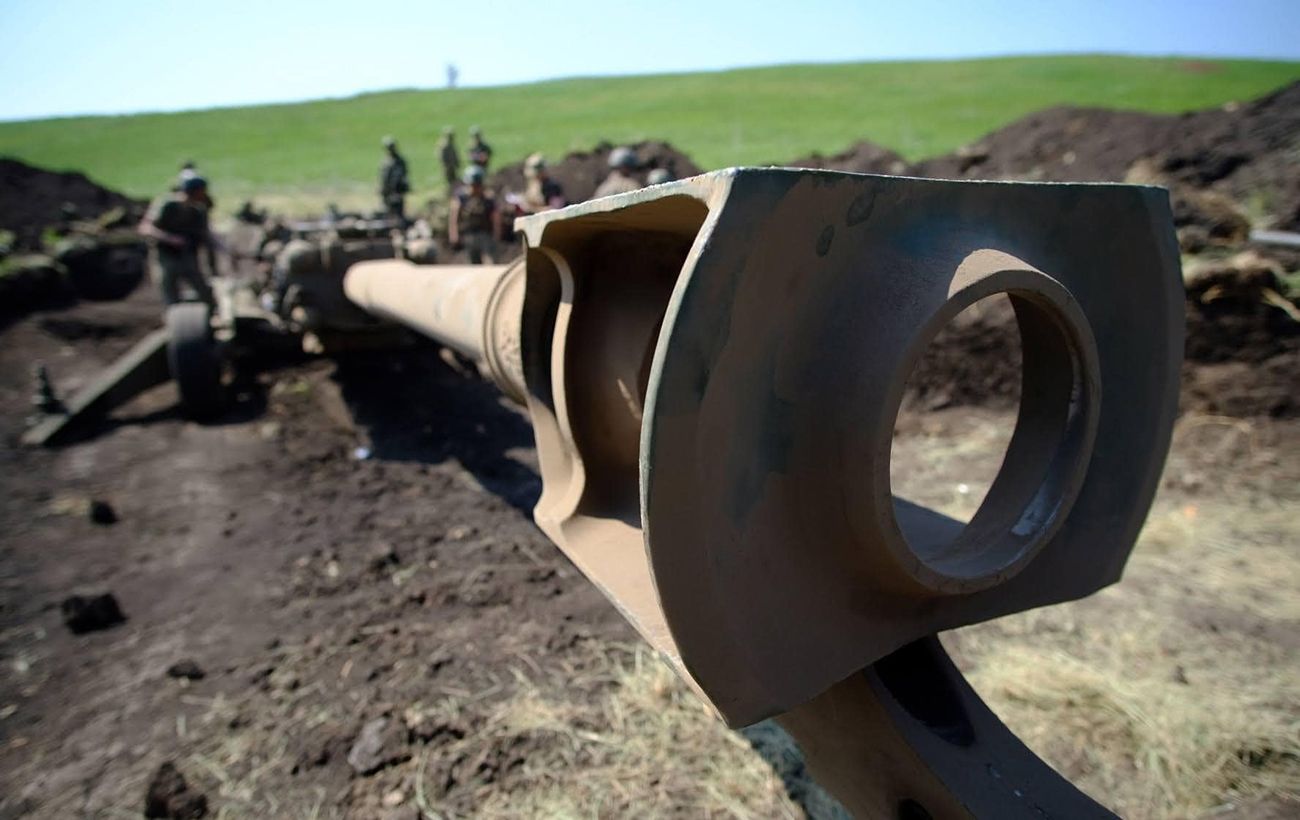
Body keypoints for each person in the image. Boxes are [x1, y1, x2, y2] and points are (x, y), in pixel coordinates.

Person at [138, 175, 218, 309]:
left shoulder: (198, 211)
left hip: (187, 255)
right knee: (170, 290)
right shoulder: (167, 205)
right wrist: (170, 238)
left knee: (202, 289)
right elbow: (146, 228)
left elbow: (206, 235)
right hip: (166, 256)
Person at [449, 165, 500, 264]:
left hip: (486, 235)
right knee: (473, 263)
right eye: (473, 185)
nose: (475, 188)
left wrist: (496, 235)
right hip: (469, 235)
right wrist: (454, 235)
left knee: (492, 261)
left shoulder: (488, 199)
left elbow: (496, 218)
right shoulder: (461, 198)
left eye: (477, 185)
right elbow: (454, 217)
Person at [379, 135, 410, 222]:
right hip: (387, 191)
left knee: (398, 212)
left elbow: (403, 175)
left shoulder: (399, 161)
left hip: (397, 190)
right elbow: (383, 177)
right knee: (387, 211)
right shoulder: (386, 161)